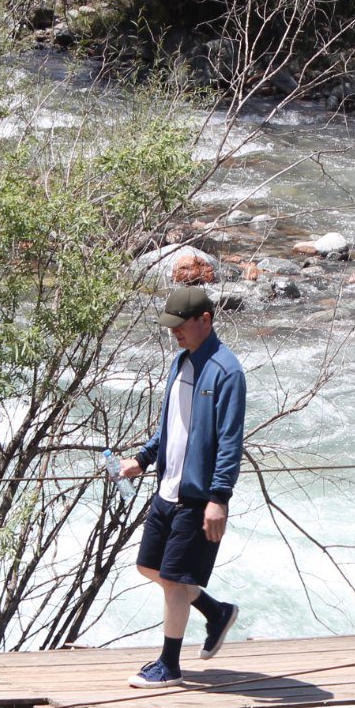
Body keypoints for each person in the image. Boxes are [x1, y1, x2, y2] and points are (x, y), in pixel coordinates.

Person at [117, 285, 246, 686]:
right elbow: (171, 426)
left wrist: (218, 498)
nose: (175, 332)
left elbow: (229, 440)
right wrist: (142, 459)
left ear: (205, 320)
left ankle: (169, 665)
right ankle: (215, 610)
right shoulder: (181, 362)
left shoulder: (227, 372)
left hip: (197, 496)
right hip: (166, 488)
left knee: (174, 581)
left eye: (181, 325)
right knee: (149, 567)